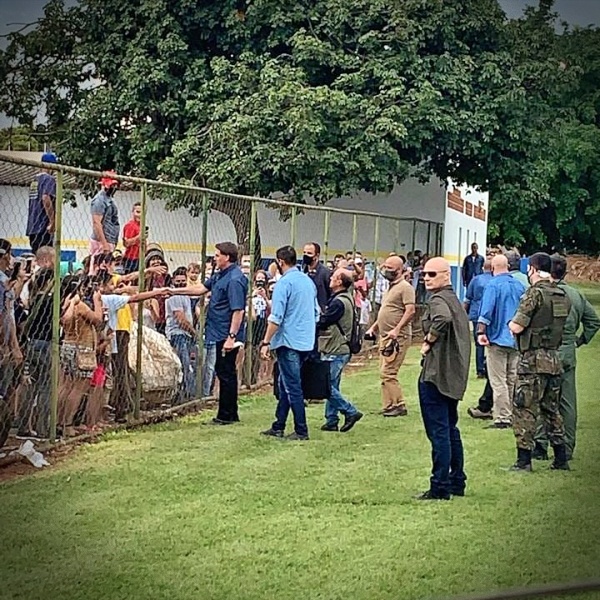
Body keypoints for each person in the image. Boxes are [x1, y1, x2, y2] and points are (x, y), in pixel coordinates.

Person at [168, 242, 248, 424]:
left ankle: (226, 415)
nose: (215, 258)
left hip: (226, 334)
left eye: (218, 255)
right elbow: (201, 289)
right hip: (217, 331)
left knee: (226, 372)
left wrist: (232, 337)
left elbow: (238, 311)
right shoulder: (220, 275)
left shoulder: (234, 279)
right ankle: (230, 413)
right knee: (224, 371)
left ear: (227, 257)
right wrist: (174, 291)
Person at [508, 252, 571, 472]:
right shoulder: (562, 295)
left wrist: (511, 324)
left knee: (524, 408)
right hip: (554, 359)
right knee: (551, 410)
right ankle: (561, 457)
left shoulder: (534, 294)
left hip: (532, 360)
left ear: (532, 269)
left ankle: (524, 460)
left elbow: (517, 326)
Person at [533, 254, 600, 461]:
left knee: (540, 398)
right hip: (567, 352)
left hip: (545, 351)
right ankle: (567, 446)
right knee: (567, 402)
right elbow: (593, 322)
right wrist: (579, 341)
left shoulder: (541, 293)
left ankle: (540, 444)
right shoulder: (576, 295)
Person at [417, 257, 470, 500]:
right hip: (451, 375)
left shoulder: (438, 299)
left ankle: (440, 485)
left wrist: (428, 341)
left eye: (432, 274)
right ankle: (456, 480)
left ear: (446, 276)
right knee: (449, 429)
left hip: (437, 375)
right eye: (424, 274)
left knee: (439, 432)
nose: (426, 278)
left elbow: (442, 319)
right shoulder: (453, 299)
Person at [260, 245, 319, 441]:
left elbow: (276, 317)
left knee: (293, 387)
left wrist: (266, 341)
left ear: (280, 262)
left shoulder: (283, 284)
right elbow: (316, 312)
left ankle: (301, 430)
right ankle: (279, 425)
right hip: (305, 341)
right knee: (285, 383)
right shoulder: (308, 282)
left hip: (287, 341)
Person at [475, 255, 526, 429]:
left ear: (492, 268)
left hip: (497, 338)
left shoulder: (493, 285)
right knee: (512, 378)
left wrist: (481, 331)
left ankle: (503, 417)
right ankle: (512, 412)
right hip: (516, 338)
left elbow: (487, 310)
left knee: (498, 380)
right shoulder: (519, 285)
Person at [365, 255, 416, 417]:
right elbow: (385, 311)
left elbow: (410, 310)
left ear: (400, 270)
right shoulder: (391, 287)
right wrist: (374, 328)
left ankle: (398, 404)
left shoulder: (405, 287)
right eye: (385, 267)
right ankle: (389, 405)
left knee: (389, 372)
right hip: (385, 336)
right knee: (383, 371)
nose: (386, 270)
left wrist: (397, 329)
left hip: (397, 337)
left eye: (390, 268)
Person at [317, 268, 363, 432]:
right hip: (341, 347)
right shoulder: (346, 298)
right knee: (333, 384)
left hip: (335, 348)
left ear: (340, 282)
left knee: (326, 386)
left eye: (334, 277)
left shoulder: (338, 303)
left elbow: (324, 321)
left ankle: (350, 411)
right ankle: (332, 420)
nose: (330, 278)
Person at [166, 267, 198, 402]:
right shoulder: (175, 297)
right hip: (178, 334)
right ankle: (186, 396)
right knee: (184, 366)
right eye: (178, 281)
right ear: (173, 281)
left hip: (186, 335)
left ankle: (188, 394)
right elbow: (181, 320)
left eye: (183, 281)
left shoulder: (185, 296)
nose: (180, 283)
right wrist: (194, 332)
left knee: (189, 365)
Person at [463, 259, 493, 378]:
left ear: (482, 268)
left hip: (476, 314)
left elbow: (467, 299)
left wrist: (463, 314)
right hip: (491, 315)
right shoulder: (494, 281)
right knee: (491, 343)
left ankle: (480, 369)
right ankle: (489, 368)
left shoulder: (476, 280)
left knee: (479, 344)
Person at [90, 171, 120, 273]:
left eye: (115, 185)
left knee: (108, 272)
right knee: (99, 271)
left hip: (109, 240)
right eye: (112, 185)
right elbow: (96, 223)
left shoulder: (109, 199)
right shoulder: (99, 200)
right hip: (102, 242)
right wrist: (104, 244)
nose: (114, 187)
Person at [27, 152, 57, 252]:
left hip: (32, 227)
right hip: (43, 227)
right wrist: (52, 221)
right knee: (46, 259)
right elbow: (46, 198)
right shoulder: (49, 179)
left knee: (37, 256)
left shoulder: (35, 180)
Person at [302, 242, 331, 313]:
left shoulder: (325, 272)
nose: (306, 255)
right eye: (304, 253)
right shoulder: (301, 271)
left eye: (309, 253)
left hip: (320, 312)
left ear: (316, 256)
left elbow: (330, 292)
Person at [122, 202, 144, 274]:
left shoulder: (141, 226)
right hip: (130, 258)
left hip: (139, 258)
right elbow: (126, 243)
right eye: (137, 212)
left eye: (142, 212)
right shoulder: (130, 225)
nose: (140, 215)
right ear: (133, 212)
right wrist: (139, 237)